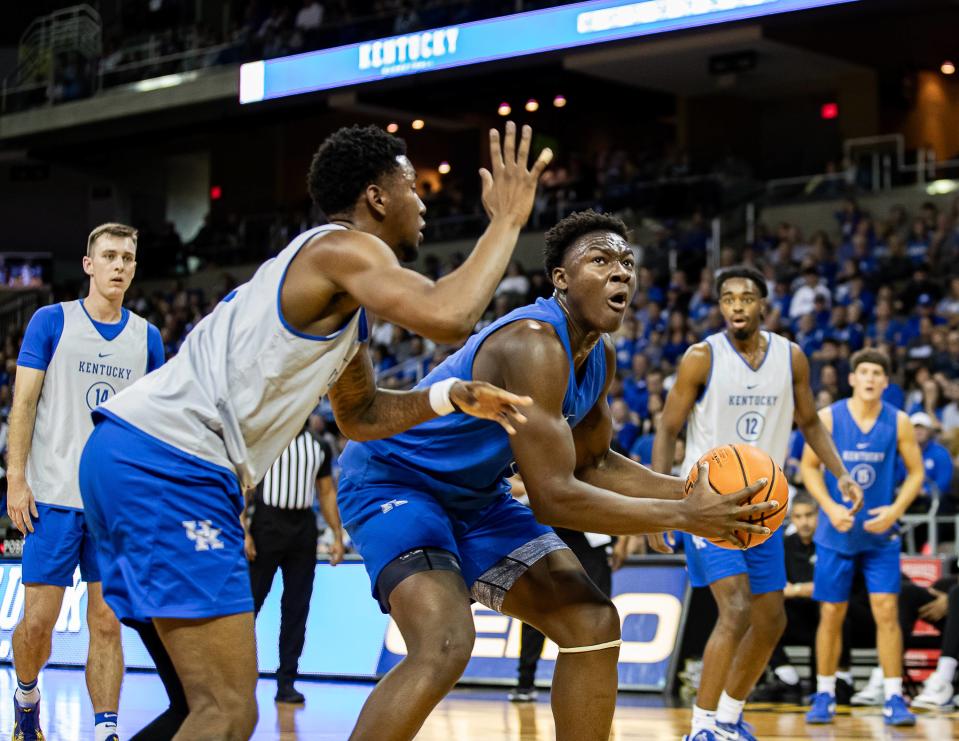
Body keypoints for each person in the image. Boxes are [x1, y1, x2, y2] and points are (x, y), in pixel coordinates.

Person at [78, 121, 552, 739]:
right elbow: (449, 315)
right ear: (377, 198)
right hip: (169, 464)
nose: (424, 202)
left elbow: (361, 416)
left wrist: (447, 396)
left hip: (135, 457)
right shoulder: (341, 247)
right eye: (413, 188)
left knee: (197, 710)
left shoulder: (334, 295)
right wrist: (508, 221)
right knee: (226, 712)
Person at [336, 211, 777, 741]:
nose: (621, 273)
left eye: (627, 263)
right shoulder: (533, 342)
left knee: (593, 622)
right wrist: (684, 514)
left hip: (477, 501)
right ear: (560, 280)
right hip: (396, 483)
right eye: (601, 260)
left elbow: (595, 462)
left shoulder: (597, 355)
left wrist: (693, 494)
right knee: (444, 642)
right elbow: (553, 498)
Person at [651, 265, 863, 741]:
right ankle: (701, 726)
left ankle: (728, 716)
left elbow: (809, 423)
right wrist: (662, 503)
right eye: (728, 298)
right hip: (707, 506)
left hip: (765, 509)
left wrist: (841, 472)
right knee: (738, 608)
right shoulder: (700, 357)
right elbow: (667, 429)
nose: (737, 306)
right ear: (720, 306)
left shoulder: (792, 358)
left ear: (764, 303)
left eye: (746, 297)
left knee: (772, 618)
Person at [7, 223, 164, 741]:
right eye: (110, 256)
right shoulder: (50, 322)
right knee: (37, 625)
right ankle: (27, 693)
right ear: (89, 265)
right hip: (50, 497)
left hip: (112, 507)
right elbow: (23, 405)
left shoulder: (148, 337)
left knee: (106, 623)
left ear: (135, 267)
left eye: (128, 257)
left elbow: (153, 425)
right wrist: (15, 481)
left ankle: (106, 729)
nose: (120, 265)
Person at [801, 348, 924, 726]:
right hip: (835, 532)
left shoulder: (899, 421)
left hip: (879, 535)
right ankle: (824, 692)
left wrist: (894, 511)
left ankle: (893, 696)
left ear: (886, 382)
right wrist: (830, 507)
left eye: (877, 373)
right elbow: (808, 467)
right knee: (831, 613)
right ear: (852, 378)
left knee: (887, 613)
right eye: (864, 372)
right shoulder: (829, 417)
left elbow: (916, 473)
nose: (870, 378)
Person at [244, 420, 342, 704]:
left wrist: (337, 534)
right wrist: (244, 530)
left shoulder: (319, 445)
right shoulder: (265, 436)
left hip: (303, 528)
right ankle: (240, 677)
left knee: (297, 608)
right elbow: (245, 486)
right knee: (251, 604)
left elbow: (325, 492)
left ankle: (287, 681)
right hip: (266, 523)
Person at [504, 475, 614, 703]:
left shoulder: (598, 445)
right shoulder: (530, 444)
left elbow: (613, 485)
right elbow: (510, 481)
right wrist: (543, 486)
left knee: (600, 613)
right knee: (536, 614)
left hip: (589, 537)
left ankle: (598, 685)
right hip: (547, 532)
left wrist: (619, 542)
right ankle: (525, 681)